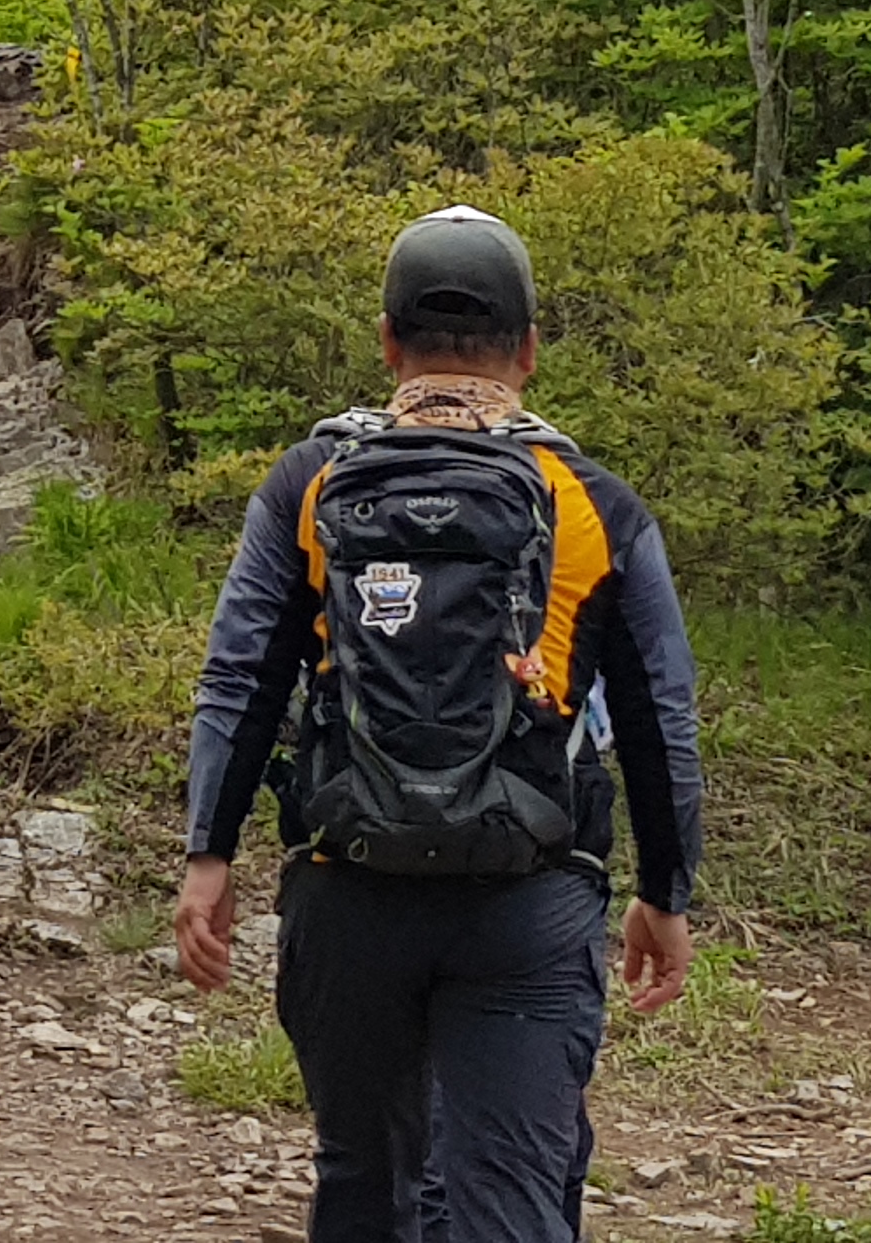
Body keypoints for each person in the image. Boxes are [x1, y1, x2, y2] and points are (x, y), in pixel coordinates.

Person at [173, 206, 703, 1243]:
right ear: (530, 350)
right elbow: (660, 717)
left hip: (348, 891)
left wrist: (208, 854)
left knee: (364, 1182)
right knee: (510, 1198)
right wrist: (665, 890)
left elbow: (241, 677)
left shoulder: (312, 483)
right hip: (527, 899)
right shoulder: (589, 502)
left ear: (387, 341)